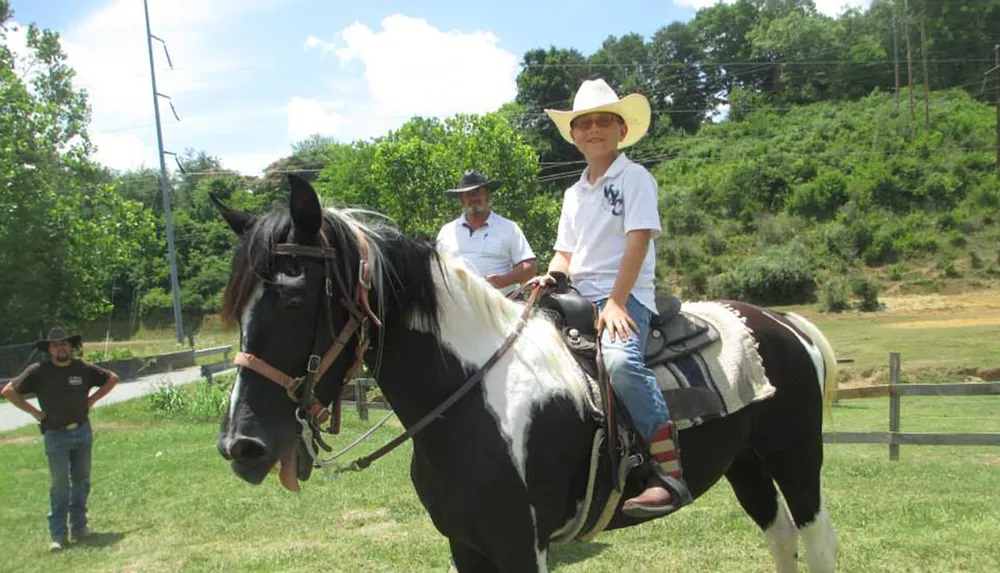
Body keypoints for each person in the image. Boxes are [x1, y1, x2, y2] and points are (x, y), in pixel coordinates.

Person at [537, 77, 692, 517]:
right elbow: (564, 252)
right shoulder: (572, 192)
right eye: (584, 124)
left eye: (605, 121)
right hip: (576, 298)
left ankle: (669, 472)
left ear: (622, 131)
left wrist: (619, 302)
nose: (594, 130)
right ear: (573, 135)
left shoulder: (635, 178)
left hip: (625, 297)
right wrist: (550, 278)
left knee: (621, 364)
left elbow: (637, 240)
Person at [1, 327, 119, 551]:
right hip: (55, 435)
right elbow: (8, 391)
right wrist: (36, 414)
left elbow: (112, 379)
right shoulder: (38, 371)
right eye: (55, 345)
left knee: (82, 480)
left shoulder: (82, 368)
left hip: (82, 432)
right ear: (49, 349)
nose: (61, 348)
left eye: (64, 344)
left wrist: (91, 400)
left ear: (71, 347)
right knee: (60, 485)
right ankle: (58, 535)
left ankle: (80, 527)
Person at [436, 170, 537, 295]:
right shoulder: (446, 232)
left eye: (477, 192)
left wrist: (504, 280)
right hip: (460, 308)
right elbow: (437, 270)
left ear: (487, 195)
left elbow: (530, 266)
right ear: (461, 200)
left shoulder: (509, 228)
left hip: (502, 304)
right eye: (468, 194)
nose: (473, 198)